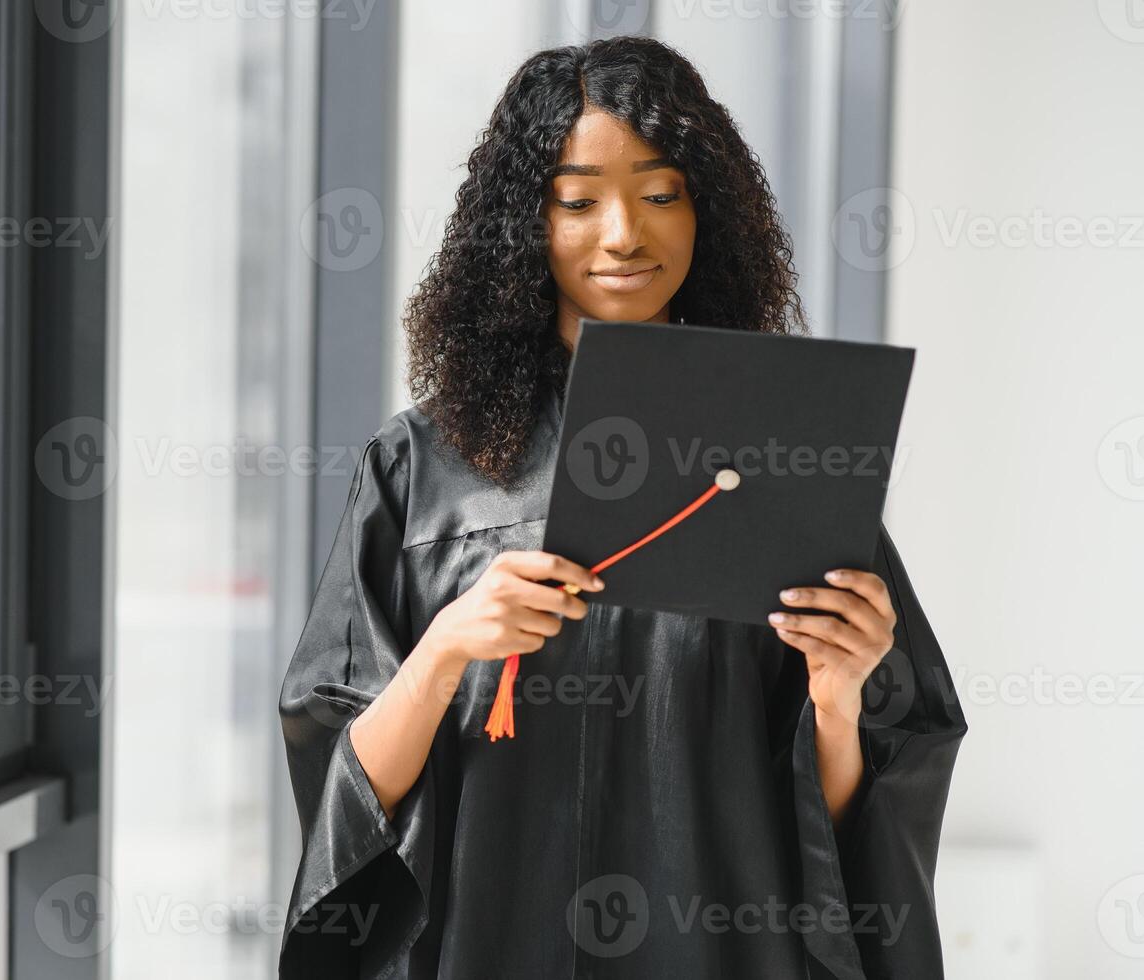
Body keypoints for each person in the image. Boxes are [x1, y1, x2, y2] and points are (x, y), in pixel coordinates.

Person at [278, 35, 966, 979]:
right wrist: (444, 650)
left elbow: (864, 835)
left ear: (706, 209)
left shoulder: (786, 452)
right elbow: (342, 799)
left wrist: (840, 703)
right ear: (527, 219)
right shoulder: (423, 468)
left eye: (659, 193)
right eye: (577, 199)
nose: (622, 234)